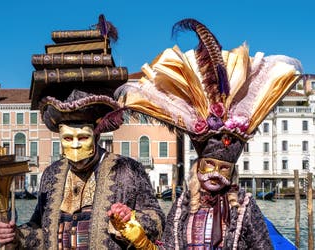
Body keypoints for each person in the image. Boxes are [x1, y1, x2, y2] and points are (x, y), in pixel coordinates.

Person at [114, 18, 302, 249]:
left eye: (223, 168)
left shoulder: (244, 206)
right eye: (209, 165)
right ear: (198, 166)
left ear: (232, 172)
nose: (215, 174)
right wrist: (139, 238)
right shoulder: (182, 205)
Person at [0, 90, 165, 249]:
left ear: (96, 135)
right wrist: (14, 235)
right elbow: (40, 229)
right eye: (68, 138)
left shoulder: (127, 169)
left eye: (83, 138)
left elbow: (158, 221)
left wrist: (130, 221)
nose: (75, 145)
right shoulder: (51, 174)